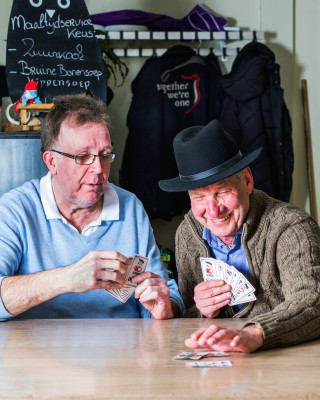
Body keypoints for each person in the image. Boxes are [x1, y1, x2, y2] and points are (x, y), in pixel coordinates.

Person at [0, 94, 185, 321]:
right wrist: (68, 278)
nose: (98, 168)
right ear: (51, 162)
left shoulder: (130, 207)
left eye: (105, 155)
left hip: (122, 353)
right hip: (39, 353)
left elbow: (168, 296)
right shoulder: (14, 211)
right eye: (83, 156)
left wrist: (163, 308)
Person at [159, 119, 320, 352]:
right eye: (199, 197)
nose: (213, 211)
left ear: (247, 180)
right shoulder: (187, 234)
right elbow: (189, 315)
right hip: (218, 360)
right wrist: (203, 310)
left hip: (283, 359)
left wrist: (254, 333)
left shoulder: (292, 227)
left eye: (222, 192)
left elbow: (312, 302)